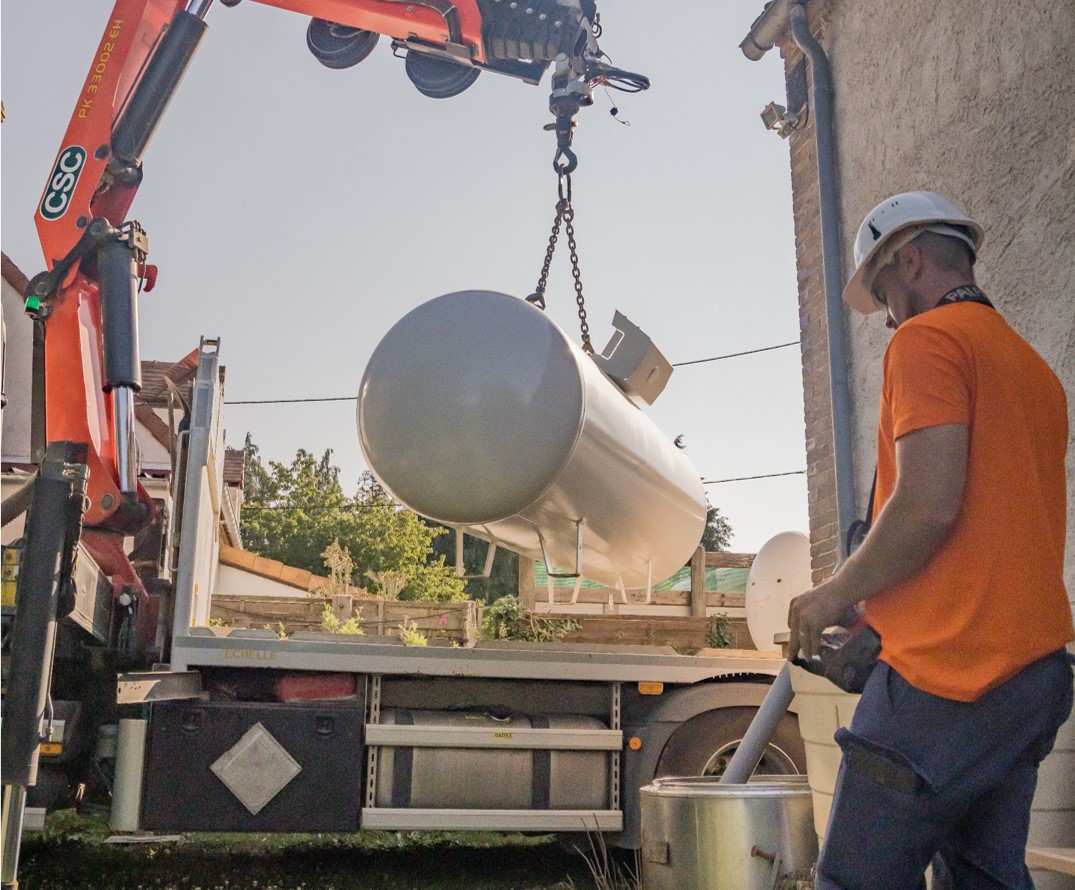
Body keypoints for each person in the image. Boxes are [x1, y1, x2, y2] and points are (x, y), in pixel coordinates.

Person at [786, 191, 1075, 889]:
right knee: (983, 878)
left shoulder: (927, 341)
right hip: (1030, 678)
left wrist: (835, 592)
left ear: (908, 259)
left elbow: (926, 506)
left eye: (883, 291)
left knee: (854, 881)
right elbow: (985, 524)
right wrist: (878, 598)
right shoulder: (1032, 370)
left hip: (945, 678)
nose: (886, 318)